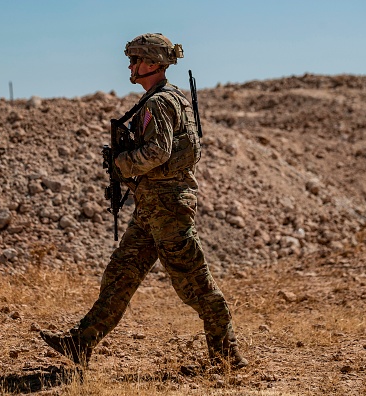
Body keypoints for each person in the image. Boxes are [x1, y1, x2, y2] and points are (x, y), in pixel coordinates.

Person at [40, 33, 248, 371]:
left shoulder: (157, 103)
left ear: (153, 63)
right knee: (121, 273)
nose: (131, 66)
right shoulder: (169, 98)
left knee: (195, 283)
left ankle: (227, 356)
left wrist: (121, 163)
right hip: (154, 206)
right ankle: (81, 343)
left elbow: (157, 152)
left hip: (167, 208)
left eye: (136, 60)